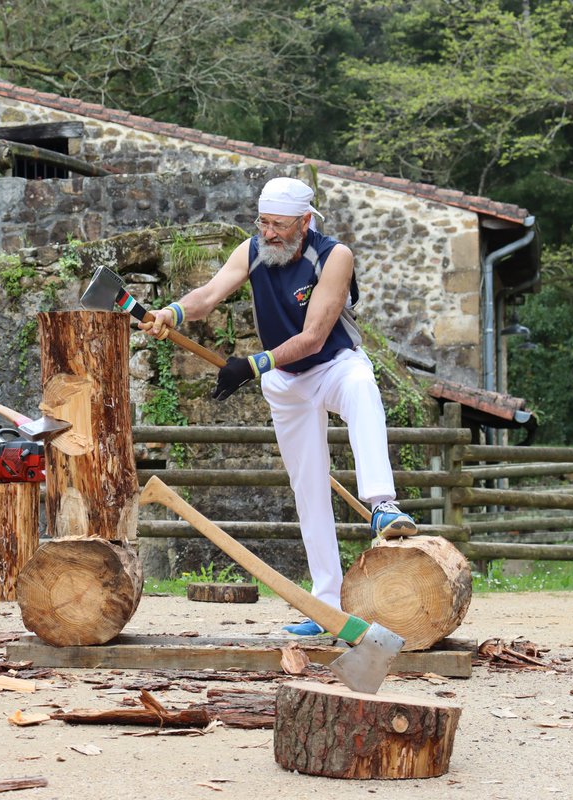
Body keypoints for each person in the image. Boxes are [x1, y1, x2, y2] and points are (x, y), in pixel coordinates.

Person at [142, 177, 416, 636]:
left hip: (333, 365)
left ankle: (383, 505)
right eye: (263, 222)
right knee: (308, 490)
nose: (268, 233)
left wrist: (252, 364)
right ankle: (325, 605)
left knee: (363, 390)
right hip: (285, 385)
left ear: (305, 222)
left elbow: (312, 337)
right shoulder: (251, 250)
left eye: (279, 225)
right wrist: (172, 313)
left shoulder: (334, 256)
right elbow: (208, 295)